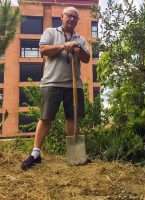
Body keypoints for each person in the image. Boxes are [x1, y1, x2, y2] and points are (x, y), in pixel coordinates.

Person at [21, 6, 90, 170]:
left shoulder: (80, 39)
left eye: (75, 17)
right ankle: (35, 154)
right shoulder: (50, 33)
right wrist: (64, 46)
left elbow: (87, 58)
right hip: (51, 82)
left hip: (74, 84)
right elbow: (43, 50)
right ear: (62, 17)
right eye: (69, 16)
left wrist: (77, 49)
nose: (72, 19)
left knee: (72, 118)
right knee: (45, 118)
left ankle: (73, 154)